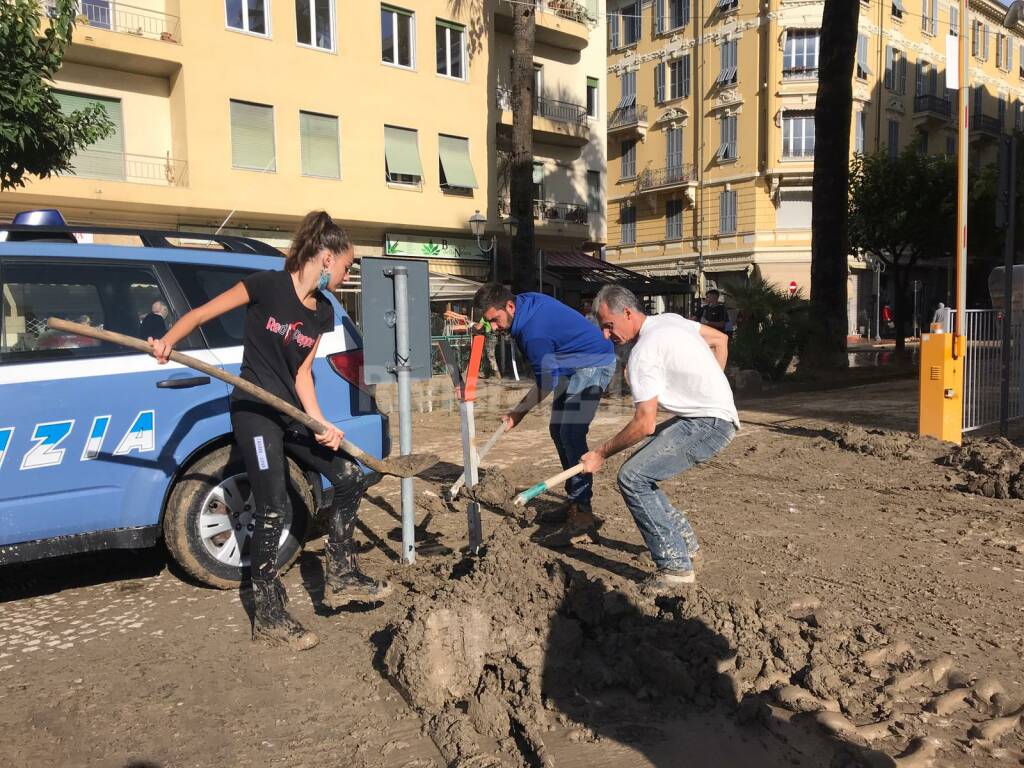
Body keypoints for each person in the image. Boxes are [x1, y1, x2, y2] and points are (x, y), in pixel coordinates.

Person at [149, 211, 390, 651]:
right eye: (347, 264)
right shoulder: (266, 286)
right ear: (324, 257)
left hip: (290, 412)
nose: (347, 272)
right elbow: (203, 313)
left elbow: (301, 375)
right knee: (274, 506)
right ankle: (269, 612)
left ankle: (341, 574)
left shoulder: (323, 313)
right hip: (255, 412)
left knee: (350, 475)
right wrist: (169, 340)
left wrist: (319, 423)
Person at [581, 284, 739, 594]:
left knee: (632, 477)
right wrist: (709, 386)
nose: (605, 335)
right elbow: (720, 340)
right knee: (641, 473)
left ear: (627, 313)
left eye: (608, 325)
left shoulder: (643, 352)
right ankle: (687, 545)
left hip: (707, 423)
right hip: (711, 415)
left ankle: (676, 568)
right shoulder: (670, 320)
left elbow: (644, 424)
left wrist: (600, 453)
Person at [473, 283, 616, 544]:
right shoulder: (522, 301)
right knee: (557, 430)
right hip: (570, 364)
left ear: (510, 306)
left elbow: (546, 383)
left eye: (495, 320)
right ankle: (575, 501)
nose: (494, 327)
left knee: (571, 433)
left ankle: (583, 515)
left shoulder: (532, 334)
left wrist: (518, 413)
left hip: (593, 363)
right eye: (488, 322)